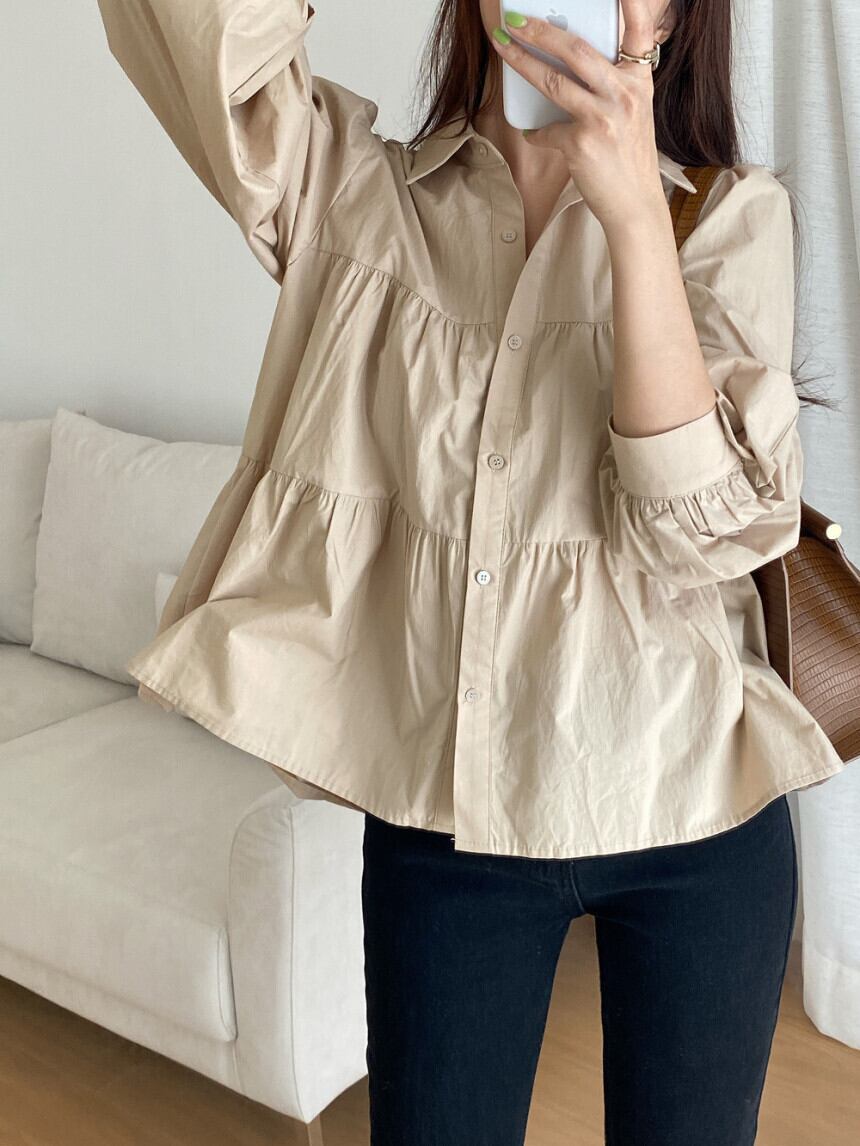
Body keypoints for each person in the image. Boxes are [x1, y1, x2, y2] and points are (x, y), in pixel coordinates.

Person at [95, 1, 847, 1142]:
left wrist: (633, 220)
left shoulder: (730, 219)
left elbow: (702, 535)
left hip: (697, 811)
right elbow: (191, 33)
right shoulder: (354, 196)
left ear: (670, 20)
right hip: (448, 825)